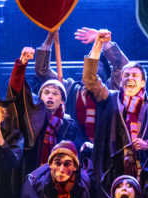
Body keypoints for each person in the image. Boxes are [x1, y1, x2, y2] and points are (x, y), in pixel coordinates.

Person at [83, 30, 148, 198]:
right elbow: (90, 79)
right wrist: (98, 44)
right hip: (112, 170)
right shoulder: (109, 98)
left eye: (135, 75)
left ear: (143, 83)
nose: (129, 78)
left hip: (145, 173)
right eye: (126, 75)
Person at [39, 28, 130, 143]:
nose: (91, 68)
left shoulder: (111, 90)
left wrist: (104, 42)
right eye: (89, 65)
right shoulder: (68, 88)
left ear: (105, 74)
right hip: (72, 145)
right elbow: (43, 72)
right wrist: (49, 40)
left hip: (102, 145)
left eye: (95, 65)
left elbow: (123, 68)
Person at [9, 47, 88, 177]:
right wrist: (22, 64)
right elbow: (16, 93)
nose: (50, 96)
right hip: (33, 174)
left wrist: (84, 145)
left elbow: (78, 145)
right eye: (46, 93)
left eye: (55, 93)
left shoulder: (69, 124)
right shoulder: (32, 117)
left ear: (62, 100)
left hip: (61, 177)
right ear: (40, 97)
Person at [18, 140, 93, 198]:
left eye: (67, 164)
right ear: (50, 165)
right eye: (57, 163)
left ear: (75, 167)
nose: (61, 170)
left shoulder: (84, 183)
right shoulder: (33, 185)